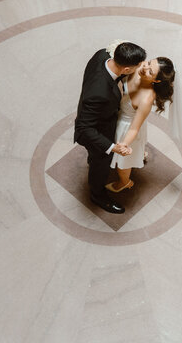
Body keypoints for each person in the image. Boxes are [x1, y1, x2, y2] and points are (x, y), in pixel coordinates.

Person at [74, 42, 146, 214]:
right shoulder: (99, 92)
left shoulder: (102, 55)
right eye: (137, 67)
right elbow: (85, 128)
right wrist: (112, 147)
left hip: (99, 112)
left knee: (98, 159)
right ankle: (97, 195)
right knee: (100, 164)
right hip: (96, 130)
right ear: (127, 69)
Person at [107, 57, 175, 193]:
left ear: (156, 81)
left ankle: (125, 182)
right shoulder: (139, 66)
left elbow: (134, 128)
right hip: (118, 114)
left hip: (127, 126)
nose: (144, 68)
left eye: (150, 71)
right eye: (149, 63)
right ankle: (140, 153)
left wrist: (124, 145)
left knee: (123, 163)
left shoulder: (147, 98)